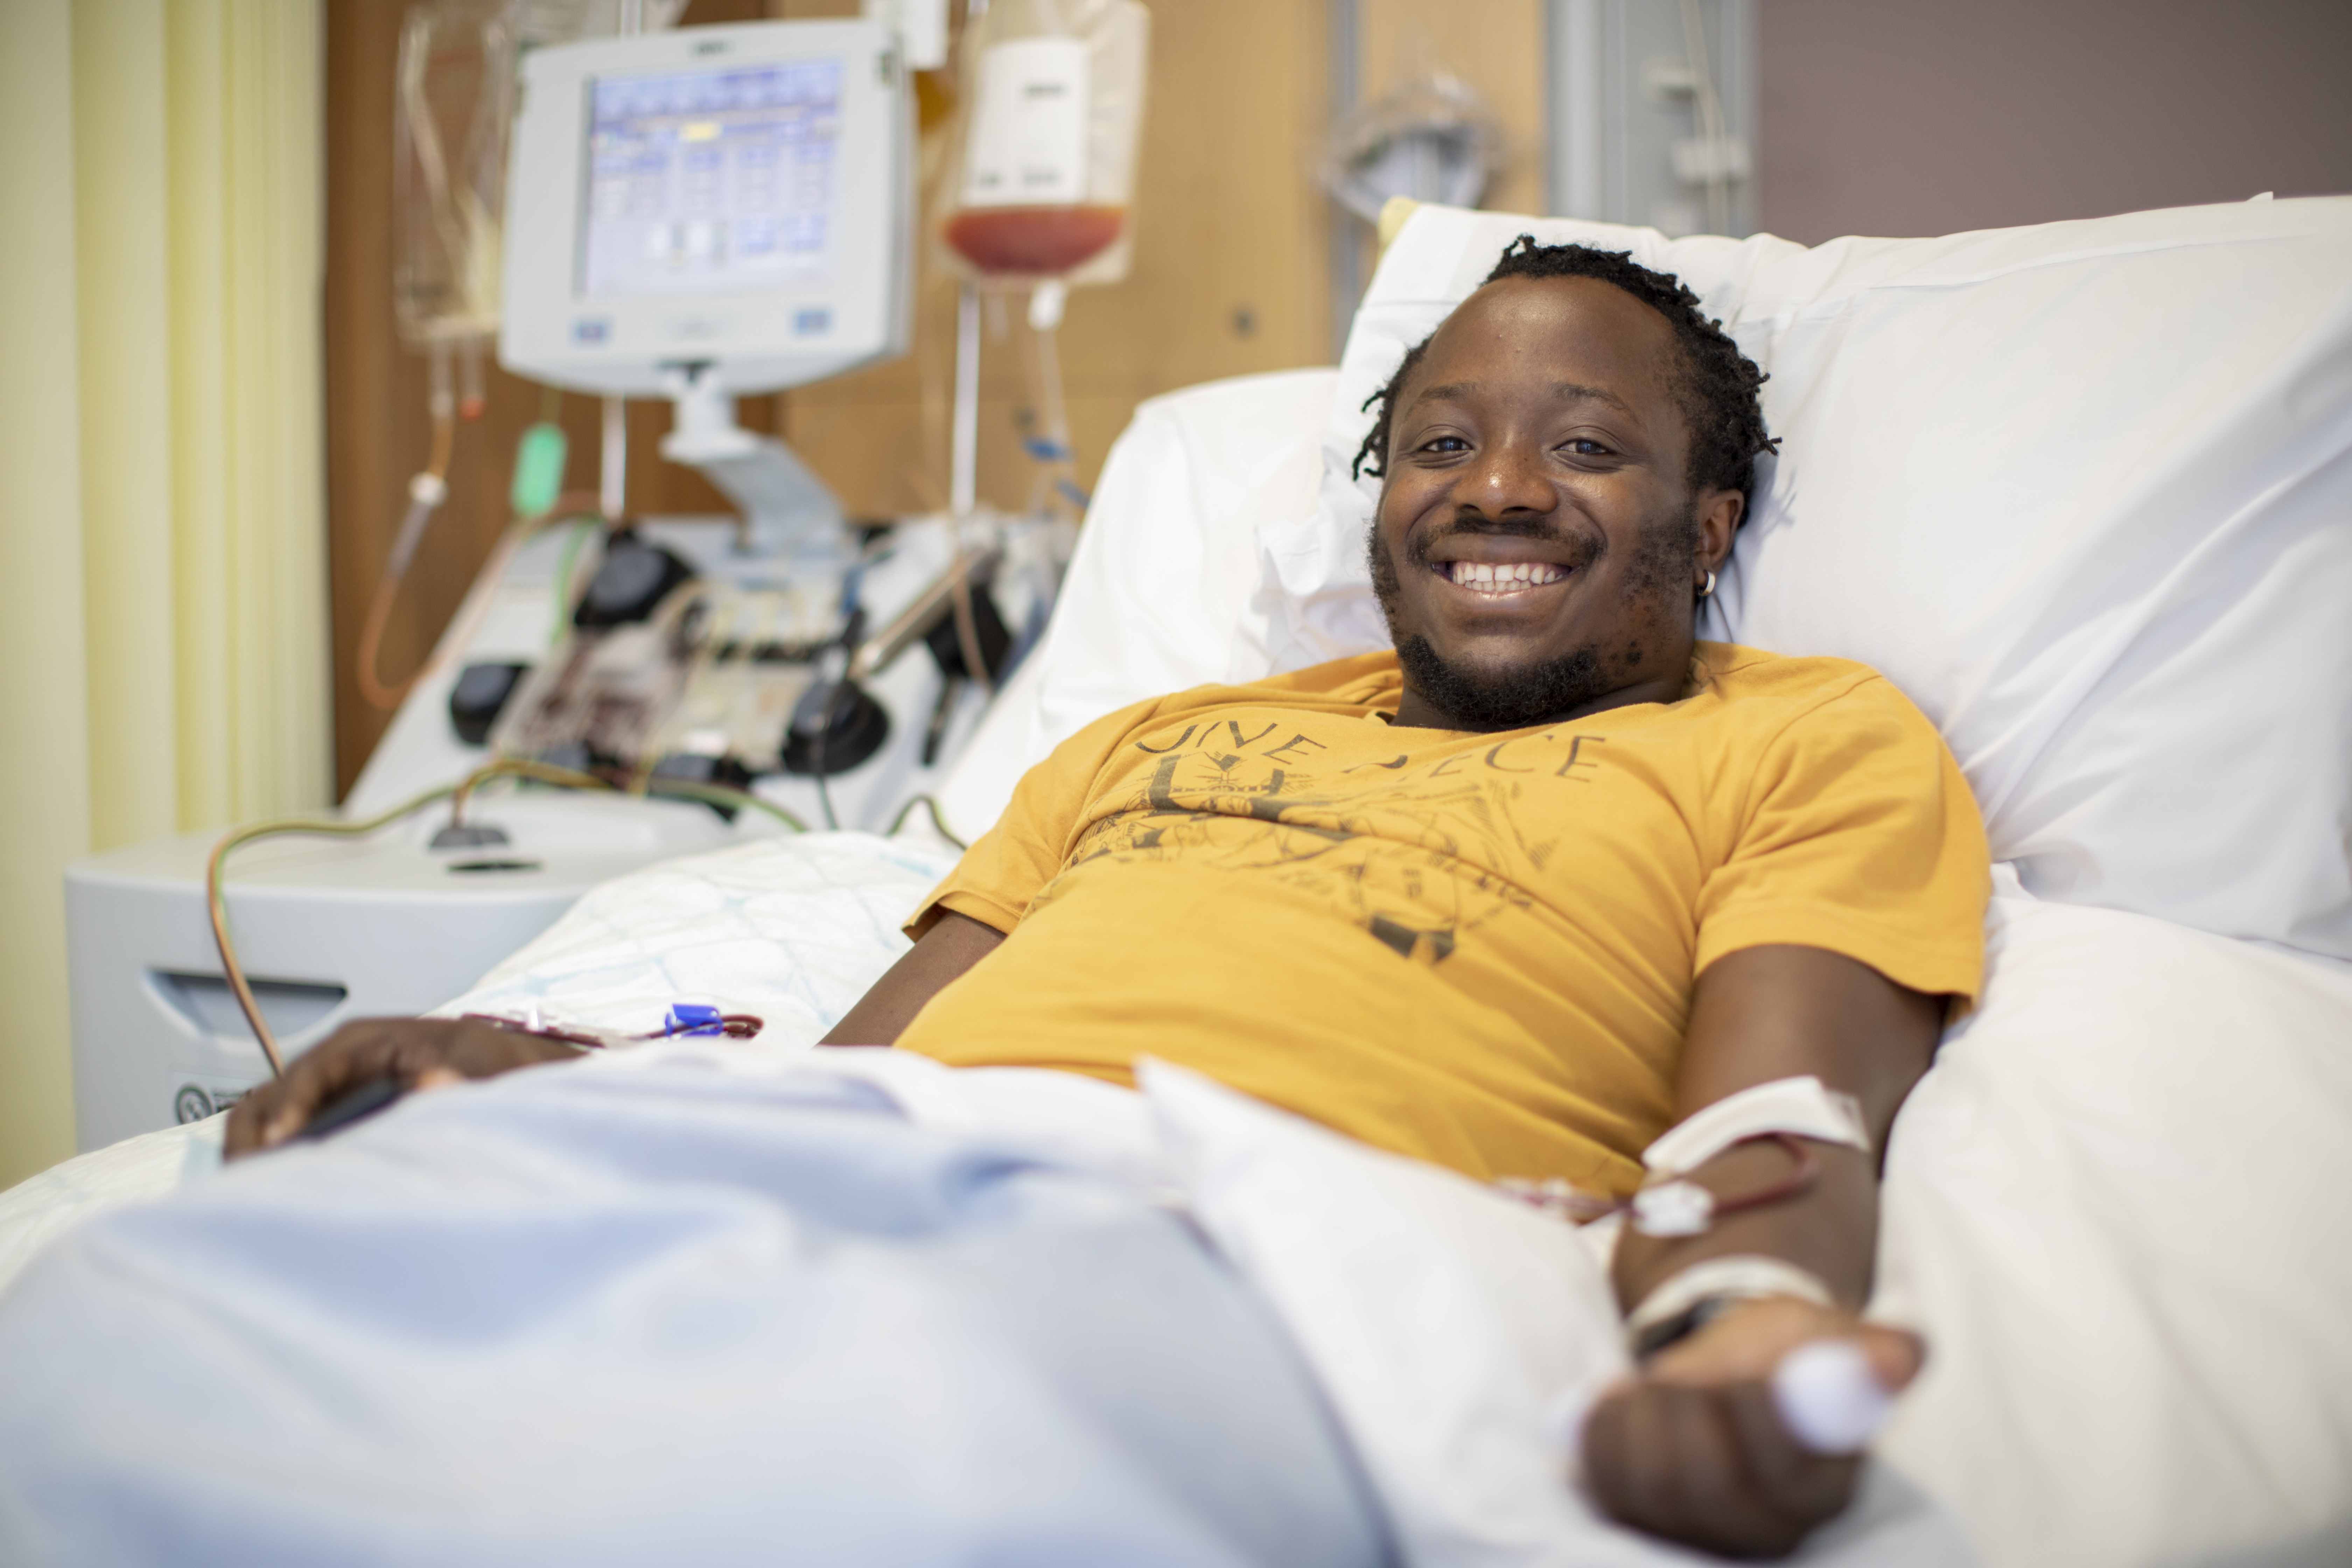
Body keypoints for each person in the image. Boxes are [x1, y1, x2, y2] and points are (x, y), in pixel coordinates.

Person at [221, 238, 1988, 1559]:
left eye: (1589, 451)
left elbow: (1782, 1111)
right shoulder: (1157, 736)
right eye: (1442, 443)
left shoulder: (1808, 737)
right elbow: (847, 1082)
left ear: (1709, 524)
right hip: (873, 1189)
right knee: (184, 1331)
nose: (1499, 488)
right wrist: (557, 1086)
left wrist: (1728, 1328)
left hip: (1243, 1238)